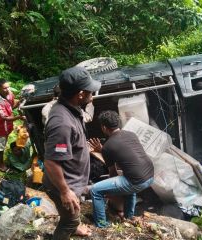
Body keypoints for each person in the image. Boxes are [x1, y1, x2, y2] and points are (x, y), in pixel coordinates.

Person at [43, 66, 101, 239]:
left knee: (70, 215)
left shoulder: (71, 108)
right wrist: (65, 191)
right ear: (81, 94)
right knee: (68, 220)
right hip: (64, 184)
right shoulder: (62, 123)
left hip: (71, 181)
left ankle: (74, 226)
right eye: (91, 90)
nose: (93, 93)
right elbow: (51, 161)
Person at [88, 110, 154, 228]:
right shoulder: (131, 134)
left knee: (95, 190)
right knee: (129, 186)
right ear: (118, 123)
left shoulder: (108, 146)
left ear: (103, 127)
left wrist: (109, 191)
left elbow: (112, 173)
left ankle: (102, 225)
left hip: (137, 180)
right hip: (150, 175)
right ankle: (129, 217)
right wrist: (102, 150)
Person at [0, 78, 25, 172]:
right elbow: (4, 117)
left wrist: (19, 102)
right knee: (0, 146)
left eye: (8, 87)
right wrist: (19, 117)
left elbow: (10, 107)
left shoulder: (9, 94)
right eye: (5, 88)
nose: (8, 90)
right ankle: (0, 164)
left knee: (4, 143)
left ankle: (1, 160)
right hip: (0, 128)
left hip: (8, 126)